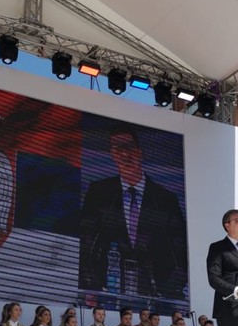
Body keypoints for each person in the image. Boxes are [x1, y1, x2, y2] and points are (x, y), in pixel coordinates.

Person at [79, 124, 188, 299]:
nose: (124, 154)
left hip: (155, 297)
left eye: (128, 147)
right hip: (108, 292)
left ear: (139, 151)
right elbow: (86, 243)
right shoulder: (99, 192)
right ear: (112, 154)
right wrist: (91, 285)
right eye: (117, 149)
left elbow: (180, 253)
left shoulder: (165, 199)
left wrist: (168, 290)